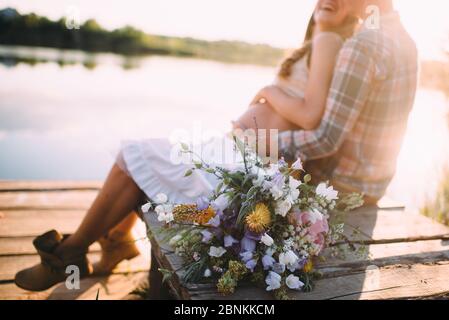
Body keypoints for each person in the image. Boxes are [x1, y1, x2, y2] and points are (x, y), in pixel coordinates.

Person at [15, 0, 418, 292]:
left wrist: (263, 104)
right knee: (146, 164)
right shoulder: (338, 40)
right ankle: (112, 242)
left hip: (255, 157)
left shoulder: (339, 42)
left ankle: (76, 250)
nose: (327, 2)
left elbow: (315, 121)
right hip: (251, 153)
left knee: (139, 161)